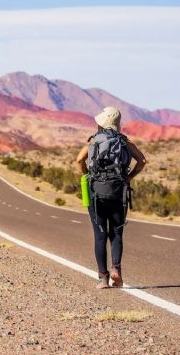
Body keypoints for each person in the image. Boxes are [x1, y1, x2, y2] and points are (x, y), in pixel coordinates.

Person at [75, 106, 146, 289]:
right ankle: (116, 270)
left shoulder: (93, 141)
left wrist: (87, 175)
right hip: (118, 192)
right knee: (116, 233)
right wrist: (128, 177)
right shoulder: (124, 142)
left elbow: (78, 160)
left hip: (96, 193)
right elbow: (142, 161)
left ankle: (103, 278)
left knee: (100, 235)